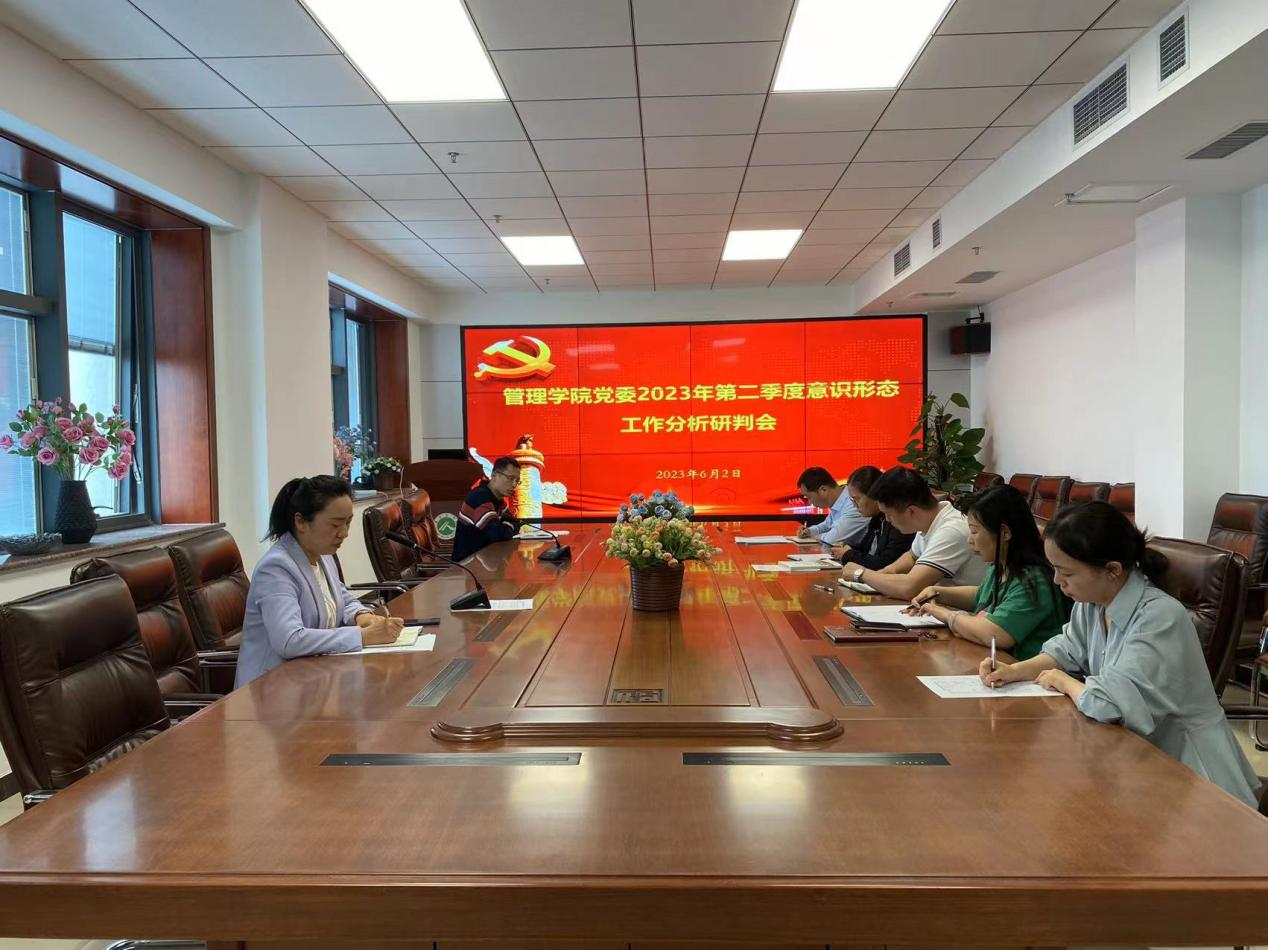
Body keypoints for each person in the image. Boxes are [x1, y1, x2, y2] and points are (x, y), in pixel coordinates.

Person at [980, 501, 1260, 809]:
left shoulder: (1159, 617)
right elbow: (1066, 649)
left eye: (1066, 572)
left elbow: (1107, 704)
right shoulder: (1093, 601)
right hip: (1132, 758)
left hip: (1191, 777)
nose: (1057, 581)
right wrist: (1015, 671)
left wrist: (1064, 682)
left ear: (1112, 570)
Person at [235, 476, 403, 688]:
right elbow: (289, 640)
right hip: (271, 689)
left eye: (348, 522)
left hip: (313, 678)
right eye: (335, 524)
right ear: (301, 522)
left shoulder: (322, 554)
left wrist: (362, 616)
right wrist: (361, 636)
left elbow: (342, 598)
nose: (344, 533)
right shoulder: (276, 569)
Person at [908, 484, 1067, 660]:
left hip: (1023, 670)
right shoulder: (1000, 565)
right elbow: (982, 595)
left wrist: (942, 614)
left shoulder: (1034, 580)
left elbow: (995, 634)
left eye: (974, 531)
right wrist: (938, 593)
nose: (969, 540)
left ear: (1004, 533)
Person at [846, 465, 985, 599]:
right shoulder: (930, 520)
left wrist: (862, 574)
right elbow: (912, 556)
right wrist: (885, 573)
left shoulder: (951, 530)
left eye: (888, 514)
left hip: (962, 610)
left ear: (911, 511)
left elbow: (909, 588)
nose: (887, 520)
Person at [830, 465, 914, 571]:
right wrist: (847, 549)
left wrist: (848, 554)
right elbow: (867, 550)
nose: (854, 505)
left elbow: (886, 563)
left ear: (874, 494)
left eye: (856, 499)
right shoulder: (877, 518)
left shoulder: (898, 520)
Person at [453, 455, 522, 561]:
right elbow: (497, 534)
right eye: (511, 478)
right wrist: (507, 527)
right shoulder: (480, 497)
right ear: (494, 475)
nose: (514, 485)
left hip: (486, 559)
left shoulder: (497, 499)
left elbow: (516, 523)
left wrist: (507, 527)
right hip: (467, 565)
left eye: (517, 481)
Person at [795, 466, 869, 547]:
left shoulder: (853, 503)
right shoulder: (839, 500)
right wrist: (809, 531)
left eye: (808, 497)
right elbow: (827, 525)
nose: (809, 503)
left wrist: (812, 537)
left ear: (823, 490)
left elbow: (831, 540)